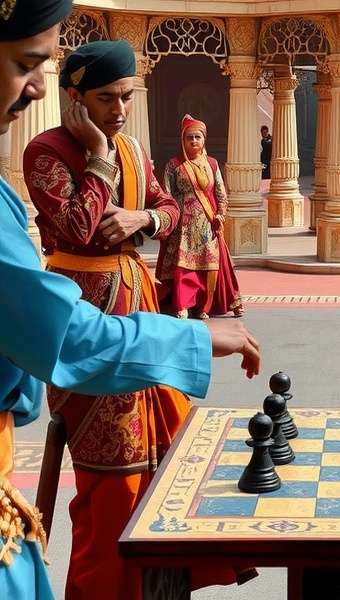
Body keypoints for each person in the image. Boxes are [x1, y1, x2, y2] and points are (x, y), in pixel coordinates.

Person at [0, 3, 260, 599]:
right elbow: (78, 227)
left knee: (163, 465)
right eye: (106, 101)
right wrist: (94, 157)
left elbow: (170, 211)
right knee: (111, 478)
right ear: (75, 99)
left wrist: (145, 213)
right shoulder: (45, 152)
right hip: (78, 303)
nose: (118, 111)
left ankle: (161, 582)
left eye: (125, 96)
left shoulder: (137, 152)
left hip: (138, 305)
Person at [156, 114, 243, 319]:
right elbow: (166, 196)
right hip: (182, 227)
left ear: (204, 140)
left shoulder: (212, 165)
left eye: (197, 137)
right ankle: (182, 304)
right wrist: (168, 222)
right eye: (189, 137)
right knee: (183, 267)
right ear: (183, 140)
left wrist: (221, 215)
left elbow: (221, 193)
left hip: (207, 225)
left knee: (208, 266)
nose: (194, 141)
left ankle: (205, 306)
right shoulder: (174, 165)